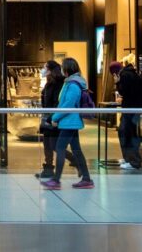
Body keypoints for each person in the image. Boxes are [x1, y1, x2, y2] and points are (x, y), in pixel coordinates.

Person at [41, 57, 94, 190]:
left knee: (59, 148)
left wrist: (55, 118)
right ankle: (86, 179)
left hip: (69, 122)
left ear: (67, 69)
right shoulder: (71, 83)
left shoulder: (73, 85)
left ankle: (56, 180)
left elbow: (68, 104)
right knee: (76, 150)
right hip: (70, 122)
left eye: (64, 67)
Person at [36, 60, 76, 179]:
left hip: (53, 119)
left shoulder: (58, 84)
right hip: (47, 118)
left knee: (54, 145)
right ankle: (48, 168)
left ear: (51, 70)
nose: (43, 70)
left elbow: (57, 103)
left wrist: (52, 118)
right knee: (47, 144)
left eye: (45, 67)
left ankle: (74, 160)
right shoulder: (49, 83)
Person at [110, 61, 142, 170]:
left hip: (130, 108)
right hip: (136, 107)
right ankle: (129, 159)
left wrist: (117, 83)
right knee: (128, 132)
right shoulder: (133, 73)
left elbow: (123, 92)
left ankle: (133, 161)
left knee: (127, 133)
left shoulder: (124, 76)